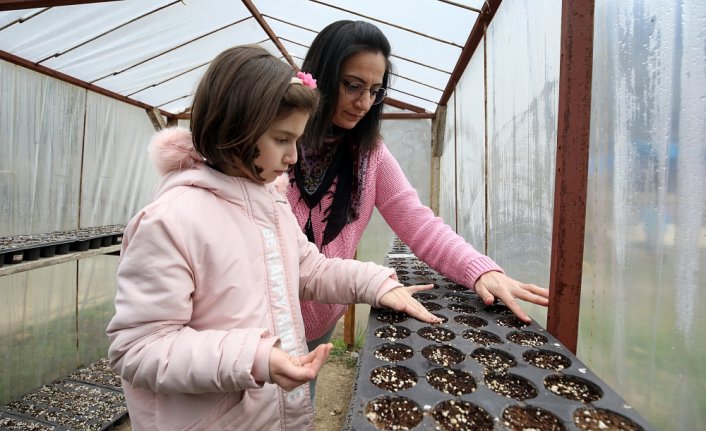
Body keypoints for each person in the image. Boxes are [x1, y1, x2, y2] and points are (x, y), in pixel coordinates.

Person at [106, 44, 440, 431]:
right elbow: (139, 349)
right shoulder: (170, 221)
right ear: (236, 130)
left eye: (296, 140)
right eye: (282, 139)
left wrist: (375, 284)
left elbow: (309, 269)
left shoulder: (268, 200)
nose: (294, 157)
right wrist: (255, 358)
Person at [281, 20, 550, 373]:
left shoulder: (369, 155)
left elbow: (419, 223)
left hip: (321, 317)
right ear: (323, 77)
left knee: (301, 403)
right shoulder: (278, 144)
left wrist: (478, 270)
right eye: (352, 86)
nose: (364, 102)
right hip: (264, 317)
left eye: (375, 90)